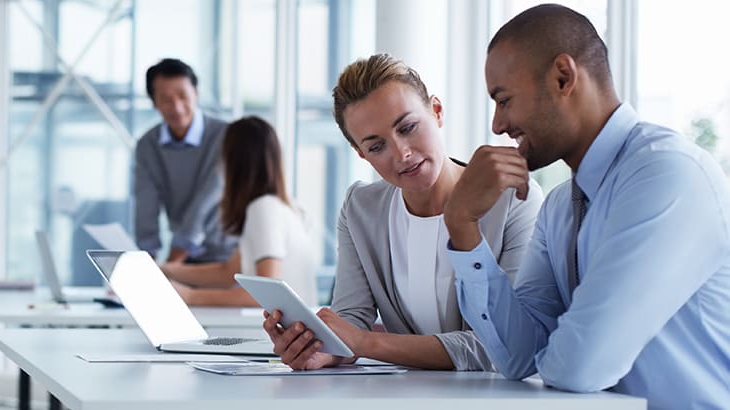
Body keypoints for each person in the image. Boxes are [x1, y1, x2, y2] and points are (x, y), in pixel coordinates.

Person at [443, 4, 730, 409]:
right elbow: (518, 356)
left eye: (504, 100)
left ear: (564, 77)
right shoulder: (560, 206)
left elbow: (580, 368)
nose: (497, 125)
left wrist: (559, 349)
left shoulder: (667, 176)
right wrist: (462, 223)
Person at [262, 53, 543, 371]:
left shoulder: (513, 201)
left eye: (408, 127)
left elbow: (503, 344)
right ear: (361, 154)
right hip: (404, 396)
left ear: (436, 111)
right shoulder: (361, 208)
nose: (402, 153)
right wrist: (324, 348)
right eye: (376, 146)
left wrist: (365, 343)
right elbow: (350, 319)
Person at [161, 116, 318, 307]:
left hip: (280, 333)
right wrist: (165, 270)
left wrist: (189, 296)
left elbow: (268, 294)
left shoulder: (263, 209)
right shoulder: (285, 207)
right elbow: (228, 272)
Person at [134, 58, 236, 264]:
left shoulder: (226, 136)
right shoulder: (147, 145)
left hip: (228, 255)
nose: (177, 108)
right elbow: (146, 205)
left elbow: (207, 199)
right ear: (154, 102)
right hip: (185, 258)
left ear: (196, 93)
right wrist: (147, 261)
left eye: (183, 96)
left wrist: (172, 263)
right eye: (166, 99)